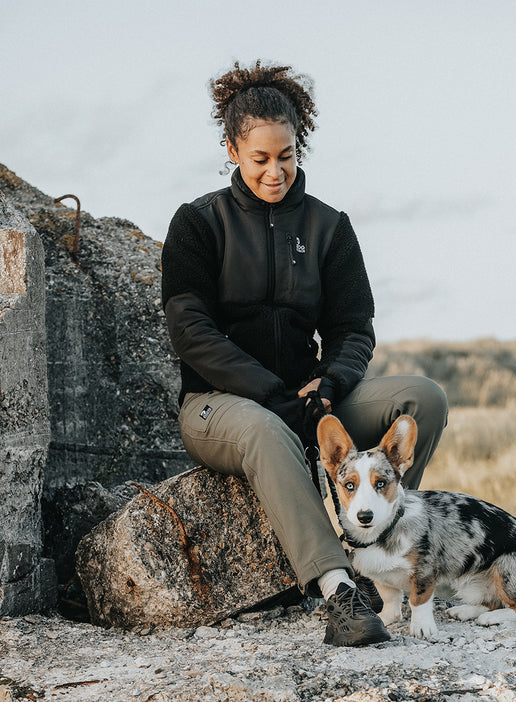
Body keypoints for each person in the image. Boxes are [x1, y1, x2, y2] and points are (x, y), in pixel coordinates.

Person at [161, 61, 448, 647]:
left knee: (424, 397)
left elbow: (353, 327)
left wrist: (329, 385)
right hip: (220, 407)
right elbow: (190, 331)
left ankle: (379, 544)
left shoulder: (329, 228)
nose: (275, 171)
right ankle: (341, 593)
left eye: (286, 155)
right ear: (232, 149)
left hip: (309, 400)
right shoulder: (196, 223)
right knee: (267, 430)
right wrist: (272, 393)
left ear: (299, 144)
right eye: (260, 158)